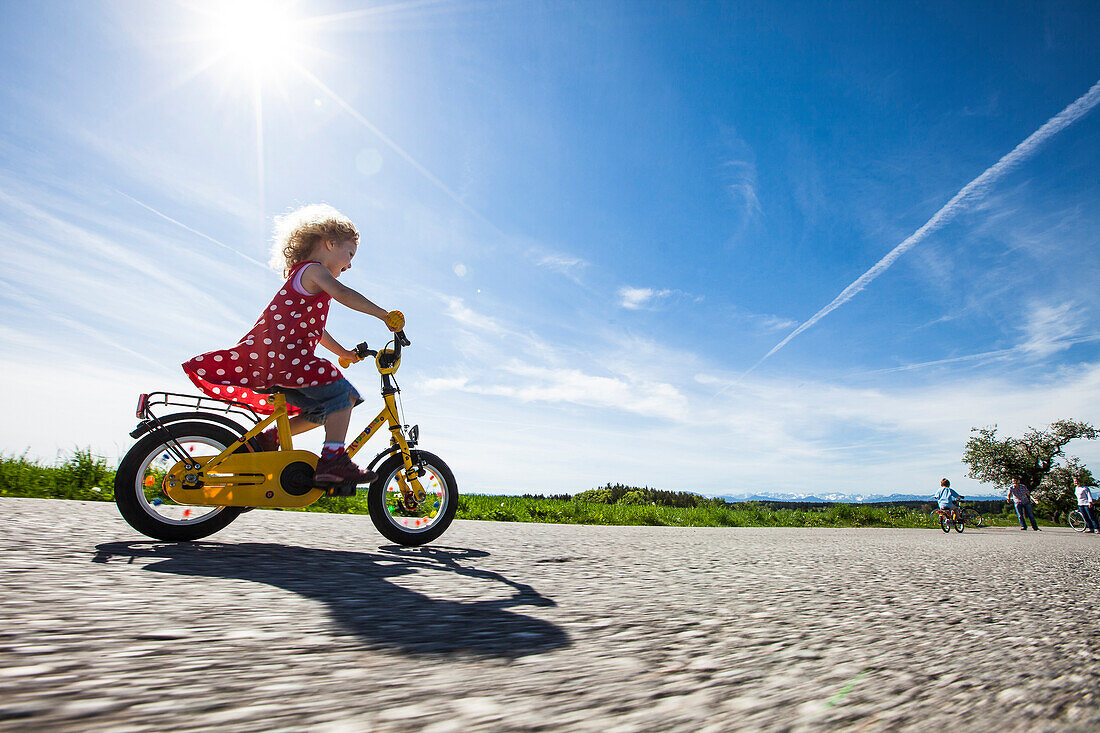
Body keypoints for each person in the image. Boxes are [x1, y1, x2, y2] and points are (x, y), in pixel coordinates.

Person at [183, 204, 399, 487]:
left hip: (273, 361)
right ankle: (333, 461)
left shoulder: (303, 278)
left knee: (322, 410)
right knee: (343, 396)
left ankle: (266, 439)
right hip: (285, 360)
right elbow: (343, 293)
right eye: (349, 254)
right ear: (330, 242)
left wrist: (344, 353)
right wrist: (383, 314)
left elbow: (317, 332)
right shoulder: (314, 271)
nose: (349, 265)